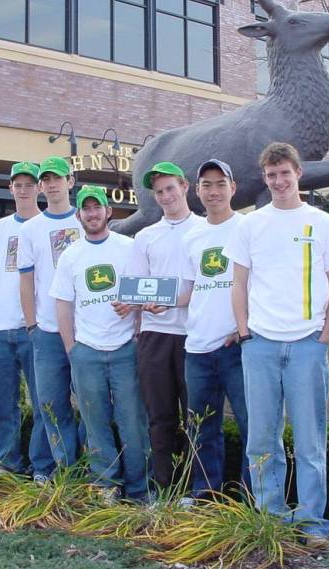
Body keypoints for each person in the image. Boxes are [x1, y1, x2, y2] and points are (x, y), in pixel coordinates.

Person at [225, 142, 329, 551]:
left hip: (307, 345)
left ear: (298, 173)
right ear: (265, 178)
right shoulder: (249, 225)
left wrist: (325, 337)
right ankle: (270, 518)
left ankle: (313, 522)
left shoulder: (323, 223)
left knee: (310, 441)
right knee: (262, 439)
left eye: (285, 173)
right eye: (272, 175)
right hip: (260, 344)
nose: (279, 181)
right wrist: (244, 333)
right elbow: (238, 283)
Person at [51, 185, 150, 500]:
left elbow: (145, 292)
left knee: (133, 422)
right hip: (88, 351)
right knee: (94, 422)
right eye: (86, 208)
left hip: (125, 349)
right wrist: (72, 348)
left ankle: (140, 489)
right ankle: (106, 484)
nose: (92, 213)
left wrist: (133, 311)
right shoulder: (71, 255)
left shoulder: (129, 247)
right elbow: (63, 305)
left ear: (109, 211)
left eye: (98, 207)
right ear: (78, 215)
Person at [117, 161, 204, 490]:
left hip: (194, 336)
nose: (166, 196)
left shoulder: (203, 230)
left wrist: (174, 301)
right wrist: (135, 304)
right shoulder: (146, 237)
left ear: (184, 186)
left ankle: (196, 490)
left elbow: (208, 285)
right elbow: (134, 286)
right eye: (159, 192)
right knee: (160, 416)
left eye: (170, 188)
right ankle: (164, 487)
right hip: (155, 336)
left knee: (195, 417)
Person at [180, 159, 249, 497]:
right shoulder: (193, 236)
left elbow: (260, 283)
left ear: (233, 188)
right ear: (197, 191)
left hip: (236, 346)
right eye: (206, 185)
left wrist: (244, 327)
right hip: (198, 348)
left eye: (220, 183)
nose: (213, 191)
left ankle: (253, 501)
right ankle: (205, 495)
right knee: (202, 429)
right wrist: (155, 303)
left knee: (252, 426)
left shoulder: (248, 228)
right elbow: (191, 289)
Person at [0, 161, 54, 482]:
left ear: (39, 188)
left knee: (42, 402)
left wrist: (36, 324)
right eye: (18, 184)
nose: (23, 190)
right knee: (3, 402)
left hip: (33, 329)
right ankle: (6, 460)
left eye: (29, 184)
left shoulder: (47, 227)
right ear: (10, 188)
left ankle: (42, 467)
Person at [18, 155, 82, 469]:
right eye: (47, 180)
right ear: (41, 187)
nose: (52, 184)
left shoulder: (85, 220)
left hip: (87, 332)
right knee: (52, 405)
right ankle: (61, 469)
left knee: (91, 404)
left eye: (58, 178)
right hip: (47, 331)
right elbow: (26, 280)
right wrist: (32, 326)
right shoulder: (30, 229)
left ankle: (90, 468)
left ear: (70, 181)